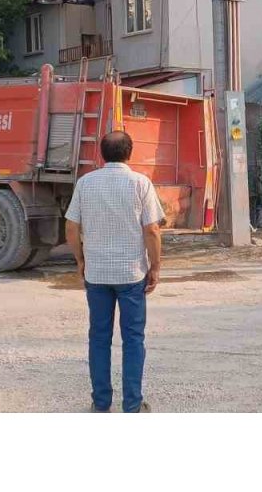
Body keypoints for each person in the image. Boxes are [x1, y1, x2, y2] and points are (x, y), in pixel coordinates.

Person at [64, 131, 164, 413]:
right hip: (132, 274)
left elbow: (71, 227)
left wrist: (80, 260)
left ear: (101, 153)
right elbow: (152, 230)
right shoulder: (140, 184)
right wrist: (155, 267)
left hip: (96, 274)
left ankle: (101, 403)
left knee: (99, 337)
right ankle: (132, 405)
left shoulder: (86, 183)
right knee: (133, 338)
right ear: (129, 153)